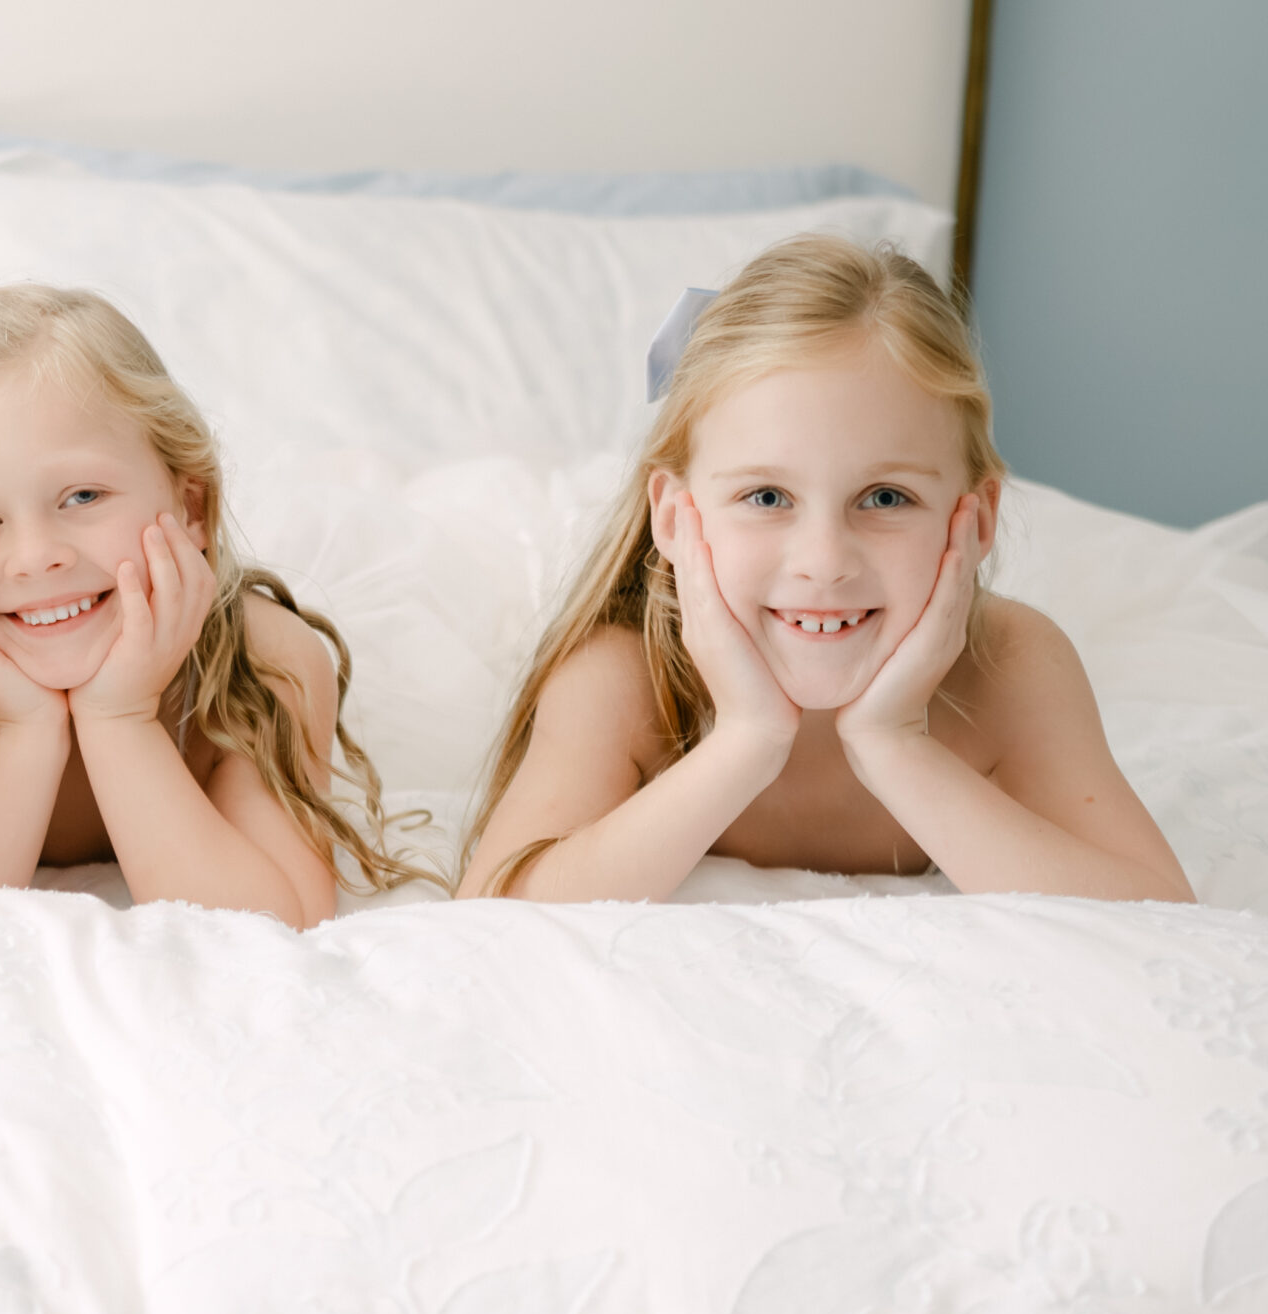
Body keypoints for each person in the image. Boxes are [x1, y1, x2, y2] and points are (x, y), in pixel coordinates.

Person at [457, 234, 1194, 903]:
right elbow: (492, 911)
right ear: (677, 520)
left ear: (975, 518)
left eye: (884, 496)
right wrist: (746, 738)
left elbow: (1159, 912)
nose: (824, 562)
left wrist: (895, 741)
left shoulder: (1012, 667)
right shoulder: (626, 679)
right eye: (768, 495)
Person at [0, 275, 427, 929]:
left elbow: (274, 921)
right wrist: (24, 730)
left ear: (191, 506)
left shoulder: (268, 660)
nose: (38, 556)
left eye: (83, 496)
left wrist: (120, 718)